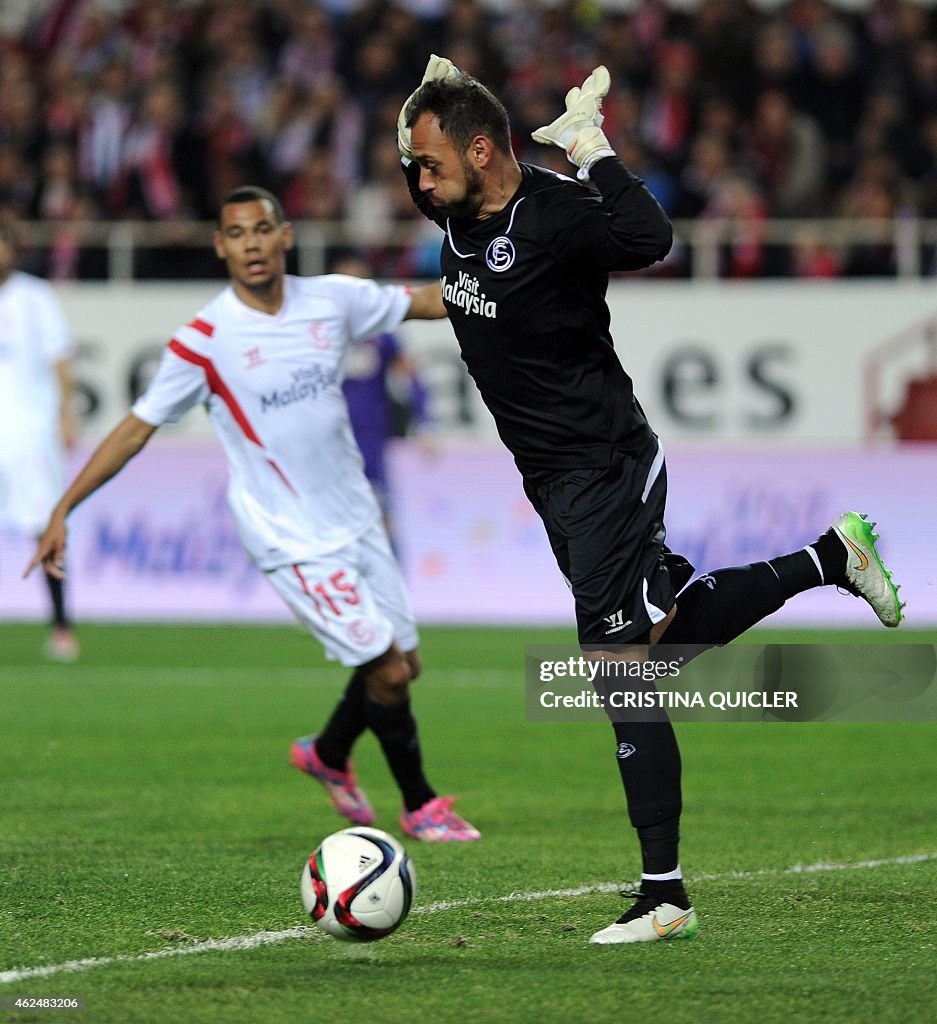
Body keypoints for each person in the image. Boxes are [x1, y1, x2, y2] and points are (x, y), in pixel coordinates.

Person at [397, 58, 904, 940]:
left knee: (618, 670)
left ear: (482, 152)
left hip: (604, 463)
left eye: (430, 161)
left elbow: (647, 237)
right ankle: (831, 554)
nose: (418, 177)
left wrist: (591, 147)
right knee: (655, 648)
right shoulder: (462, 219)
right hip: (553, 482)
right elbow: (468, 273)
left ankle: (664, 893)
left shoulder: (552, 215)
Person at [25, 185, 480, 844]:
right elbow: (134, 428)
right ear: (220, 246)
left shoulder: (331, 299)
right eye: (236, 234)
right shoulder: (205, 340)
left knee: (404, 666)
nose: (252, 244)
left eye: (262, 229)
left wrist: (508, 271)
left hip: (354, 514)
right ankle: (420, 805)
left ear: (285, 235)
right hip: (287, 534)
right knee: (383, 668)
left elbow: (429, 300)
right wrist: (64, 505)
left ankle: (326, 753)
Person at [0, 221, 80, 661]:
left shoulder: (35, 296)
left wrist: (66, 415)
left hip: (29, 432)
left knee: (45, 528)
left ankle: (62, 623)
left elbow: (61, 358)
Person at [330, 252, 433, 533]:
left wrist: (425, 422)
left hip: (369, 439)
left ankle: (390, 573)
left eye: (357, 284)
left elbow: (410, 375)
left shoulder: (382, 334)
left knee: (381, 517)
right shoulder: (316, 335)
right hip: (325, 439)